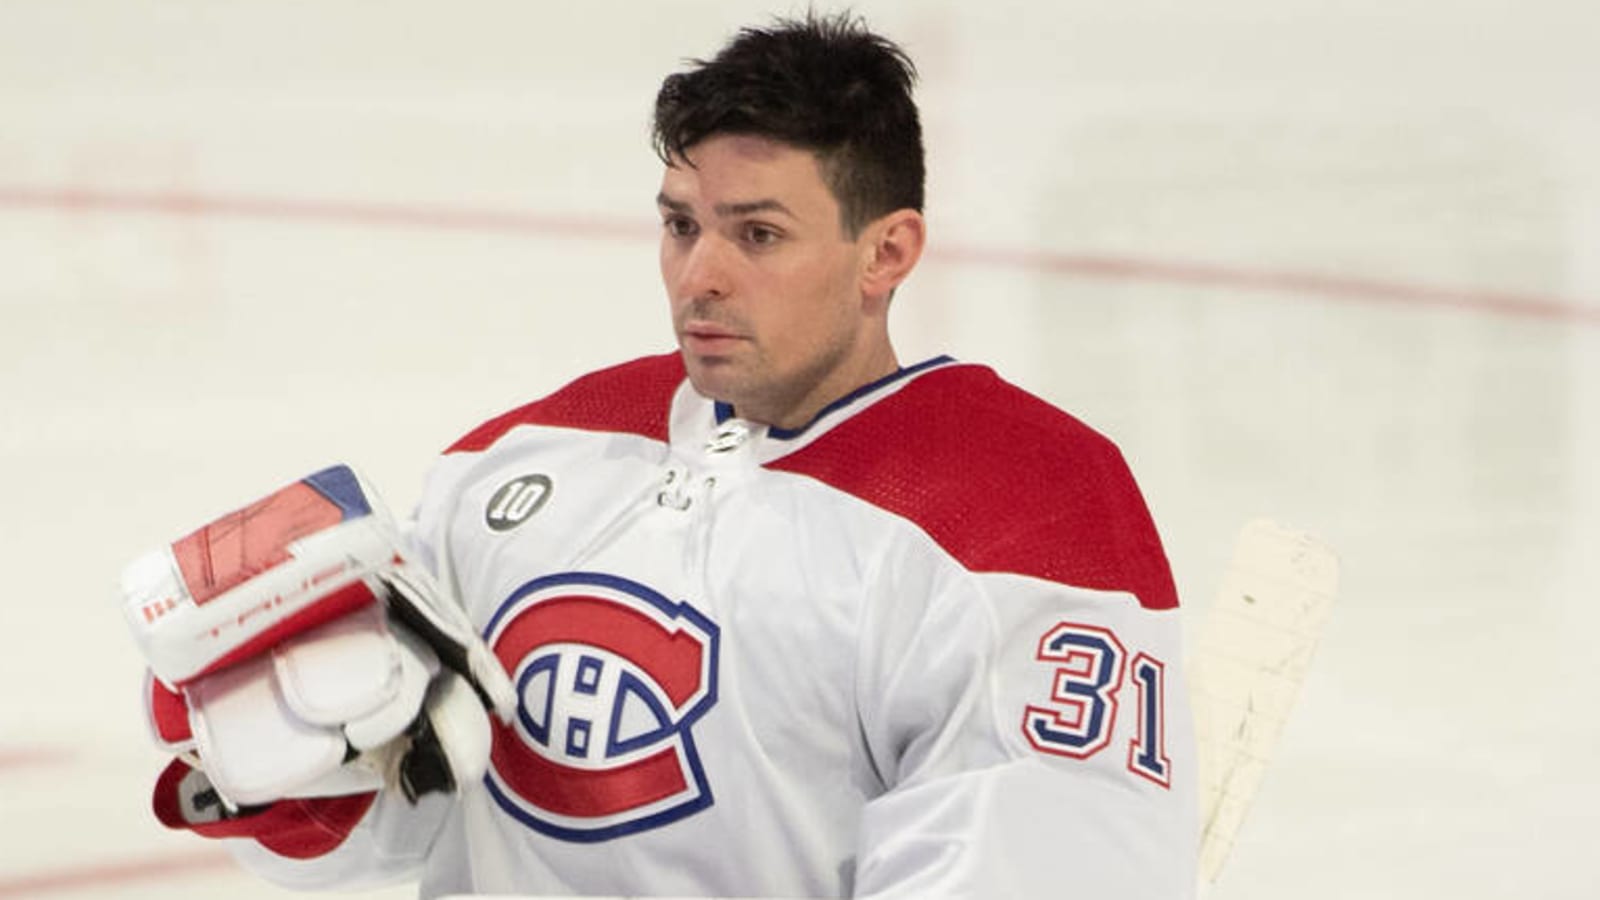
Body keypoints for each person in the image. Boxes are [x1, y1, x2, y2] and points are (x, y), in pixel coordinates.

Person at [134, 12, 1196, 898]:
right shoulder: (524, 457)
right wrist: (290, 781)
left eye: (758, 234)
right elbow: (420, 822)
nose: (700, 276)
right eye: (680, 224)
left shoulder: (1018, 513)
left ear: (888, 251)